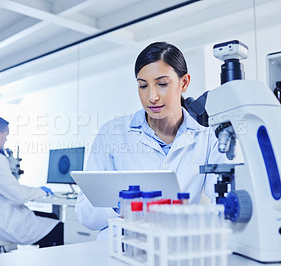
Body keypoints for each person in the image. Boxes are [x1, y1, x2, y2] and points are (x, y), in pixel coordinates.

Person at [75, 41, 226, 240]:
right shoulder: (112, 134)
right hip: (119, 249)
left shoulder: (208, 138)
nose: (151, 96)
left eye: (162, 84)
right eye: (143, 86)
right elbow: (85, 214)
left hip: (176, 251)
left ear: (184, 83)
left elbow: (223, 202)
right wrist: (122, 206)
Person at [0, 116, 63, 248]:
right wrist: (40, 191)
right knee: (62, 229)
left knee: (51, 217)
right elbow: (18, 195)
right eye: (6, 136)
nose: (6, 140)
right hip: (3, 222)